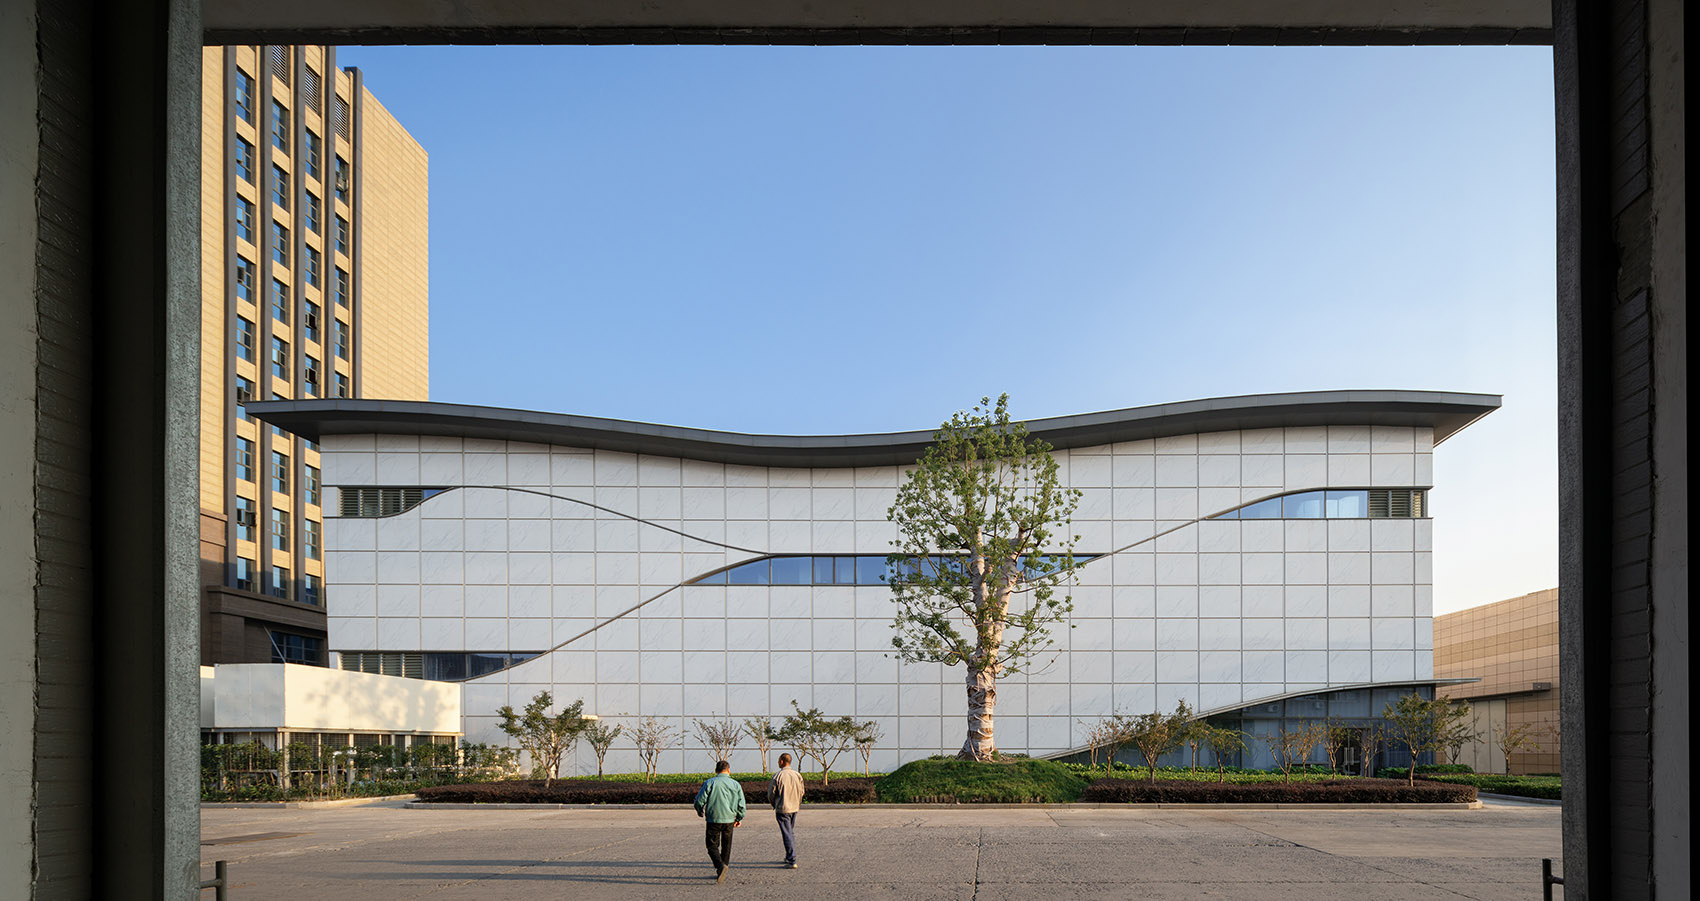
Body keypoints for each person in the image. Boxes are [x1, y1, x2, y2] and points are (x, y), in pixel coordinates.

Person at [693, 759, 746, 882]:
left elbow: (699, 800)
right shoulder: (735, 784)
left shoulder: (709, 783)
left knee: (712, 845)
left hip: (713, 818)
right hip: (729, 819)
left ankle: (719, 866)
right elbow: (741, 804)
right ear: (729, 770)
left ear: (716, 770)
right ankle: (724, 866)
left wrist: (699, 810)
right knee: (727, 845)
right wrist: (739, 817)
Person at [766, 753, 806, 868]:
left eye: (779, 760)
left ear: (782, 761)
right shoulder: (797, 775)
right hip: (794, 808)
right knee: (790, 832)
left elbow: (771, 794)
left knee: (787, 833)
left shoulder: (777, 776)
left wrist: (774, 804)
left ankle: (792, 859)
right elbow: (802, 791)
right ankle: (789, 856)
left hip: (783, 808)